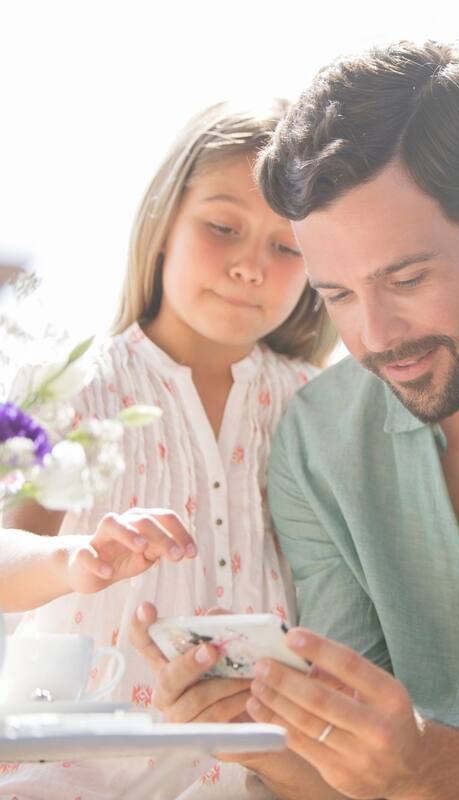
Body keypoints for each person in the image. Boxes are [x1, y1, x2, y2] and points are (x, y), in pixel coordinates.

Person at [128, 41, 459, 800]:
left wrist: (416, 759)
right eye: (336, 295)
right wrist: (252, 741)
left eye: (406, 278)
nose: (374, 337)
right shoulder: (319, 442)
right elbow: (353, 778)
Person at [0, 100, 337, 798]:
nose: (251, 266)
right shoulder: (67, 384)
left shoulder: (320, 407)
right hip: (74, 777)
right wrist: (74, 558)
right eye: (222, 227)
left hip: (258, 779)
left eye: (287, 246)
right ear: (163, 224)